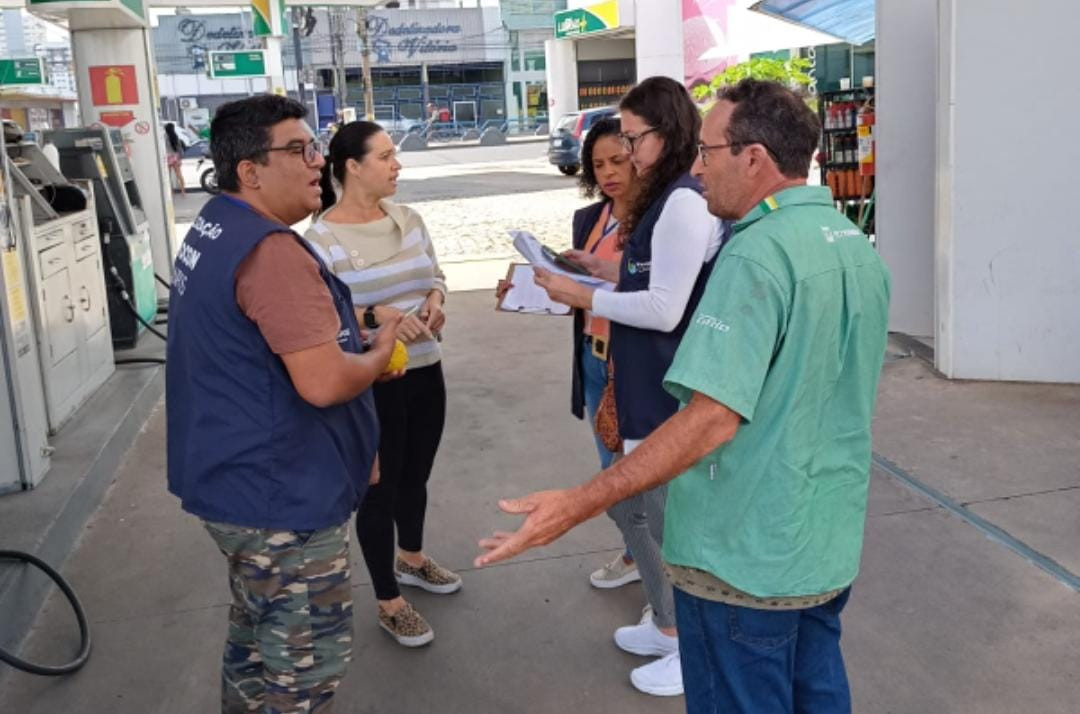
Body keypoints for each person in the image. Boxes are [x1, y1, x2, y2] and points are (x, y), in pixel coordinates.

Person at [476, 78, 891, 714]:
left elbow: (710, 420)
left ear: (753, 158)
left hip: (741, 560)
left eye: (708, 151)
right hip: (821, 545)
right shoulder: (851, 248)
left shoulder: (756, 257)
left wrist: (579, 503)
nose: (697, 168)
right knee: (817, 693)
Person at [166, 95, 402, 713]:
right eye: (297, 150)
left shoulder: (216, 224)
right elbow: (323, 383)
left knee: (254, 640)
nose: (316, 163)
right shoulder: (269, 250)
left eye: (314, 147)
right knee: (306, 666)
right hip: (280, 501)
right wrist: (381, 350)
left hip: (238, 487)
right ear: (249, 170)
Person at [532, 76, 724, 697]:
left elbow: (666, 306)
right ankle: (670, 630)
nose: (627, 151)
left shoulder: (683, 201)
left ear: (662, 135)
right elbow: (653, 274)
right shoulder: (665, 200)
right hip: (642, 378)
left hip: (666, 382)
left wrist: (585, 294)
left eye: (633, 138)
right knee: (641, 507)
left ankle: (688, 646)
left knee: (672, 525)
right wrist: (602, 268)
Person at [307, 121, 459, 649]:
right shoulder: (320, 240)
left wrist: (436, 302)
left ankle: (412, 559)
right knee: (379, 486)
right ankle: (389, 600)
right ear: (352, 166)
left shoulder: (409, 219)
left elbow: (436, 277)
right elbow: (324, 316)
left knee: (416, 473)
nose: (398, 165)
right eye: (387, 156)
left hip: (424, 367)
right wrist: (379, 315)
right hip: (370, 382)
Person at [497, 117, 642, 589]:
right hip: (593, 357)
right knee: (612, 473)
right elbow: (576, 294)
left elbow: (660, 298)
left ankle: (662, 586)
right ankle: (636, 554)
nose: (608, 173)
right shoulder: (590, 219)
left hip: (635, 366)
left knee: (639, 481)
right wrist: (527, 288)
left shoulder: (664, 218)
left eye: (618, 160)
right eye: (598, 164)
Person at [164, 121, 186, 196]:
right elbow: (179, 148)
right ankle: (183, 191)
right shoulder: (175, 137)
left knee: (168, 176)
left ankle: (171, 192)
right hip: (176, 157)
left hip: (167, 157)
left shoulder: (164, 137)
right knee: (179, 174)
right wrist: (180, 159)